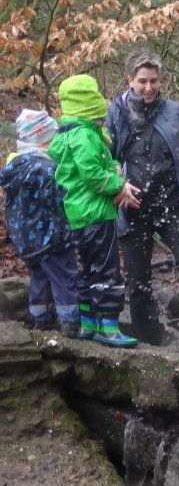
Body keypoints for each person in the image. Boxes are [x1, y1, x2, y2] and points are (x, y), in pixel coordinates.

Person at [106, 49, 179, 345]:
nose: (148, 87)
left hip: (172, 205)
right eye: (142, 81)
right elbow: (104, 158)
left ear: (160, 80)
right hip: (132, 208)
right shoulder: (115, 113)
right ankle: (150, 342)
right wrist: (117, 185)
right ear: (129, 79)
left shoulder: (175, 113)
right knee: (139, 282)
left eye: (154, 81)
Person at [48, 74, 141, 348]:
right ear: (90, 110)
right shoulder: (85, 137)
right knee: (106, 269)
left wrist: (112, 170)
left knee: (88, 269)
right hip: (97, 214)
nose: (103, 121)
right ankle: (108, 327)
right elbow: (92, 174)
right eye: (99, 117)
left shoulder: (69, 135)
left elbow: (92, 167)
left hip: (78, 214)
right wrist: (119, 184)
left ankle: (88, 325)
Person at [0, 109, 79, 337]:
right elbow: (60, 200)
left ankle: (41, 320)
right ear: (44, 139)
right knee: (65, 277)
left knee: (39, 278)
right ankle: (70, 323)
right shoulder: (47, 169)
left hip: (27, 239)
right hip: (52, 237)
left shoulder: (15, 168)